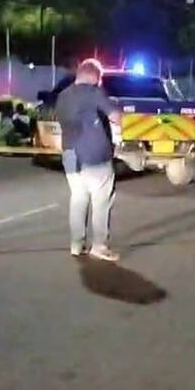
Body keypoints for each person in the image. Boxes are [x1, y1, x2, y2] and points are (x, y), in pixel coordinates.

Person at [55, 58, 122, 261]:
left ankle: (77, 244)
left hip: (70, 155)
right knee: (101, 201)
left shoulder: (63, 95)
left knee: (78, 198)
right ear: (96, 77)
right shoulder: (94, 92)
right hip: (95, 155)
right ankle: (99, 246)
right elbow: (115, 116)